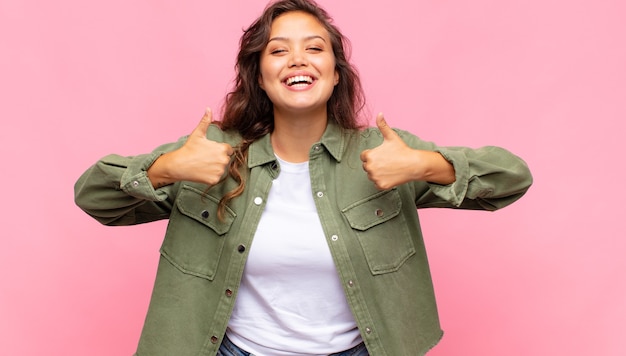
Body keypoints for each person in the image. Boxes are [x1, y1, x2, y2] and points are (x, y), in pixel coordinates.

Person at [74, 0, 533, 355]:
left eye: (315, 48)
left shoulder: (382, 151)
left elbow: (513, 177)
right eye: (279, 50)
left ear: (336, 75)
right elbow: (92, 195)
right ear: (260, 75)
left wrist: (427, 165)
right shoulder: (211, 150)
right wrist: (166, 169)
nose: (298, 59)